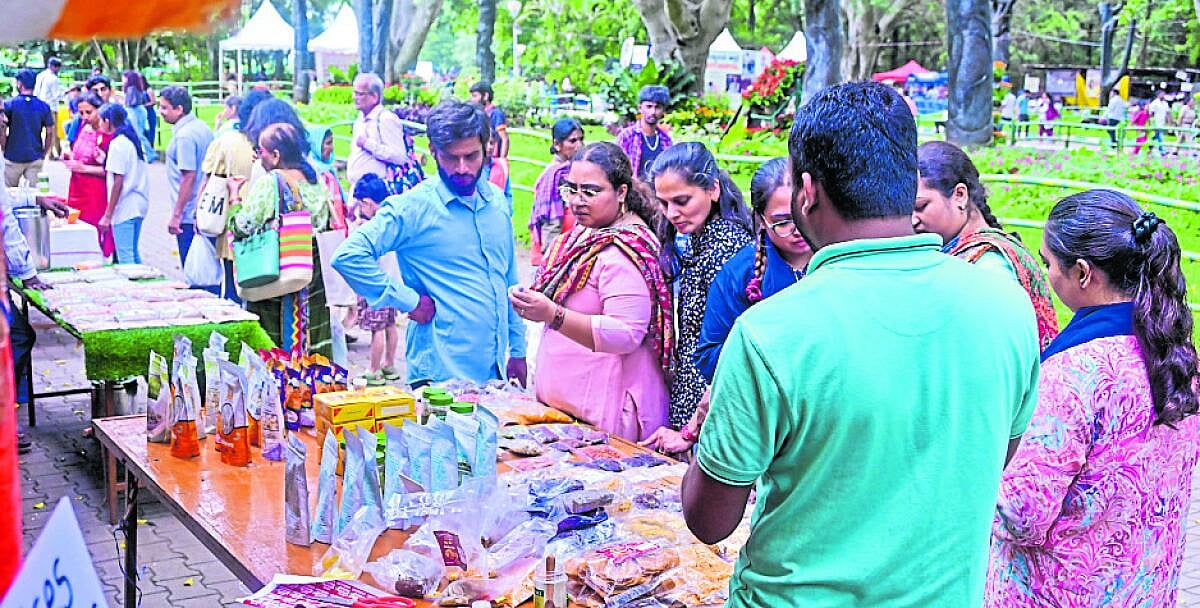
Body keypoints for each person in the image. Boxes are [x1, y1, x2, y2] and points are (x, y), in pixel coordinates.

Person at [681, 81, 1041, 607]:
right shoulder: (1005, 302)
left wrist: (714, 430)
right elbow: (995, 453)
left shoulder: (771, 333)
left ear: (807, 191)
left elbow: (709, 521)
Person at [986, 190, 1200, 606]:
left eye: (1048, 263)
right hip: (1144, 590)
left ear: (1083, 273)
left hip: (1058, 594)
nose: (1047, 274)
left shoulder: (1074, 374)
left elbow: (1022, 515)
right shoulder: (1176, 359)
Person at [333, 100, 528, 387]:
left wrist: (519, 350)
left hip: (494, 371)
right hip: (438, 378)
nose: (462, 168)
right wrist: (407, 301)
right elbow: (348, 256)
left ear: (487, 148)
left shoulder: (497, 202)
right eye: (451, 158)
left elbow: (509, 281)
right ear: (433, 152)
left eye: (471, 156)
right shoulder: (413, 208)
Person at [644, 158, 811, 454]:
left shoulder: (837, 264)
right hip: (751, 416)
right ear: (761, 219)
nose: (797, 229)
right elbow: (708, 355)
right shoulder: (740, 272)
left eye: (805, 214)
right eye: (783, 221)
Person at [509, 142, 672, 442]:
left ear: (621, 192)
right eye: (571, 189)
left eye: (590, 191)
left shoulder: (625, 249)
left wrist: (553, 315)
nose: (577, 200)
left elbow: (627, 333)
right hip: (569, 411)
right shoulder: (584, 235)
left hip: (606, 415)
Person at [648, 142, 753, 435]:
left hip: (712, 404)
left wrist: (695, 424)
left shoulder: (726, 247)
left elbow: (731, 348)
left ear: (713, 190)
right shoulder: (702, 237)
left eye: (682, 201)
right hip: (697, 398)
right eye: (664, 203)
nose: (671, 213)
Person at [914, 141, 1059, 349]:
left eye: (920, 206)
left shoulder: (992, 267)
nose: (912, 219)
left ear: (960, 195)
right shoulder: (961, 253)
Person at [227, 123, 332, 357]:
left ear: (275, 155)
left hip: (277, 277)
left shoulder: (272, 182)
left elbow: (242, 226)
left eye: (261, 151)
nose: (258, 156)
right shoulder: (317, 180)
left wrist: (235, 198)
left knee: (278, 346)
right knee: (310, 347)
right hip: (312, 276)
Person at [196, 88, 272, 303]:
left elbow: (209, 180)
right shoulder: (274, 143)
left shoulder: (227, 140)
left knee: (232, 288)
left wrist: (197, 212)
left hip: (232, 223)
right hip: (264, 229)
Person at [349, 174, 400, 384]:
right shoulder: (391, 220)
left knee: (376, 329)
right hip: (391, 282)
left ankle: (373, 369)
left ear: (367, 203)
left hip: (374, 285)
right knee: (390, 324)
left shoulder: (369, 228)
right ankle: (389, 364)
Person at [159, 85, 214, 264]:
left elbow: (188, 176)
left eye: (165, 107)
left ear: (179, 109)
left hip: (189, 212)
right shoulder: (202, 127)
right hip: (203, 206)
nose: (161, 112)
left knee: (193, 266)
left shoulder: (185, 136)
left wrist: (177, 214)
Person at [349, 73, 421, 196]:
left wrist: (368, 144)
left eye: (359, 94)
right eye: (354, 92)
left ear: (374, 97)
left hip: (378, 193)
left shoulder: (386, 119)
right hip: (360, 191)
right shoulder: (360, 119)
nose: (354, 97)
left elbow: (399, 157)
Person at [62, 92, 114, 257]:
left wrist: (83, 168)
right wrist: (70, 156)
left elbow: (111, 170)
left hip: (95, 190)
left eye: (89, 112)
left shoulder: (107, 133)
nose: (84, 116)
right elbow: (77, 152)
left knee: (95, 228)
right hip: (77, 186)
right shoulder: (83, 127)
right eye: (81, 112)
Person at [97, 104, 149, 264]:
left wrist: (108, 215)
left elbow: (118, 182)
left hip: (126, 206)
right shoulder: (132, 140)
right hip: (139, 203)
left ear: (107, 121)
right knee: (132, 253)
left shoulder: (118, 143)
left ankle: (134, 288)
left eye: (101, 120)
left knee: (126, 257)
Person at [529, 117, 584, 267]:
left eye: (581, 139)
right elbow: (550, 222)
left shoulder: (573, 169)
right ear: (557, 145)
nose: (579, 145)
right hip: (556, 252)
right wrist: (552, 260)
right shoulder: (553, 175)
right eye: (572, 141)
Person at [2, 70, 54, 188]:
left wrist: (4, 148)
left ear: (19, 84)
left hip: (13, 156)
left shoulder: (10, 104)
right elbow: (50, 132)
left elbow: (3, 129)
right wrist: (44, 152)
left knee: (8, 193)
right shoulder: (44, 106)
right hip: (34, 155)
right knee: (35, 196)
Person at [617, 85, 673, 181]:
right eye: (649, 106)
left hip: (658, 193)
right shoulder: (627, 136)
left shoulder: (666, 140)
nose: (653, 112)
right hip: (634, 192)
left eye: (658, 107)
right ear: (640, 108)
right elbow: (616, 168)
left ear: (663, 110)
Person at [122, 71, 157, 163]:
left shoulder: (131, 89)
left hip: (134, 112)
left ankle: (150, 154)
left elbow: (131, 103)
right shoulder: (137, 88)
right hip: (140, 111)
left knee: (139, 134)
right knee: (140, 133)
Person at [33, 57, 65, 159]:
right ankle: (54, 152)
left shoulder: (40, 76)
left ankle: (43, 151)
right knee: (52, 131)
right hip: (51, 107)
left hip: (39, 106)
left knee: (39, 130)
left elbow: (36, 92)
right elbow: (57, 95)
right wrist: (66, 92)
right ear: (54, 67)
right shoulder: (53, 79)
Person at [469, 81, 509, 158]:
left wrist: (502, 159)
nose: (472, 99)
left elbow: (504, 139)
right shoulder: (479, 113)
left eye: (475, 96)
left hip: (493, 157)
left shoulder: (496, 114)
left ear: (485, 96)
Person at [1148, 89, 1171, 156]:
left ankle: (1150, 147)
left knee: (1156, 137)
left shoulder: (1165, 103)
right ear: (1158, 95)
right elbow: (1151, 114)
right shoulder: (1154, 103)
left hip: (1162, 122)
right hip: (1156, 122)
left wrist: (1169, 123)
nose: (1163, 95)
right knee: (1160, 137)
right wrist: (1151, 123)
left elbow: (1167, 113)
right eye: (1162, 94)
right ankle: (1162, 151)